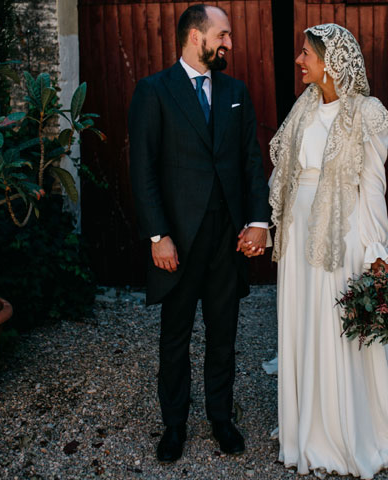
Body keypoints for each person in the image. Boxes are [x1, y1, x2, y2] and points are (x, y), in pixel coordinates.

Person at [266, 23, 388, 479]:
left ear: (330, 61)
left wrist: (377, 250)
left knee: (336, 326)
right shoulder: (303, 108)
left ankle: (344, 429)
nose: (299, 60)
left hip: (342, 233)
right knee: (304, 320)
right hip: (299, 233)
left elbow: (373, 188)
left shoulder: (367, 113)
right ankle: (304, 426)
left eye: (306, 53)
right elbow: (285, 175)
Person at [128, 4, 270, 463]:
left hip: (226, 239)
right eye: (223, 35)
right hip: (179, 244)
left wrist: (257, 221)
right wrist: (157, 236)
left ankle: (221, 418)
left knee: (223, 334)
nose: (229, 43)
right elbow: (142, 170)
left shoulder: (235, 91)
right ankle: (173, 426)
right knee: (175, 336)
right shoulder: (154, 91)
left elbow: (250, 161)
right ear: (196, 37)